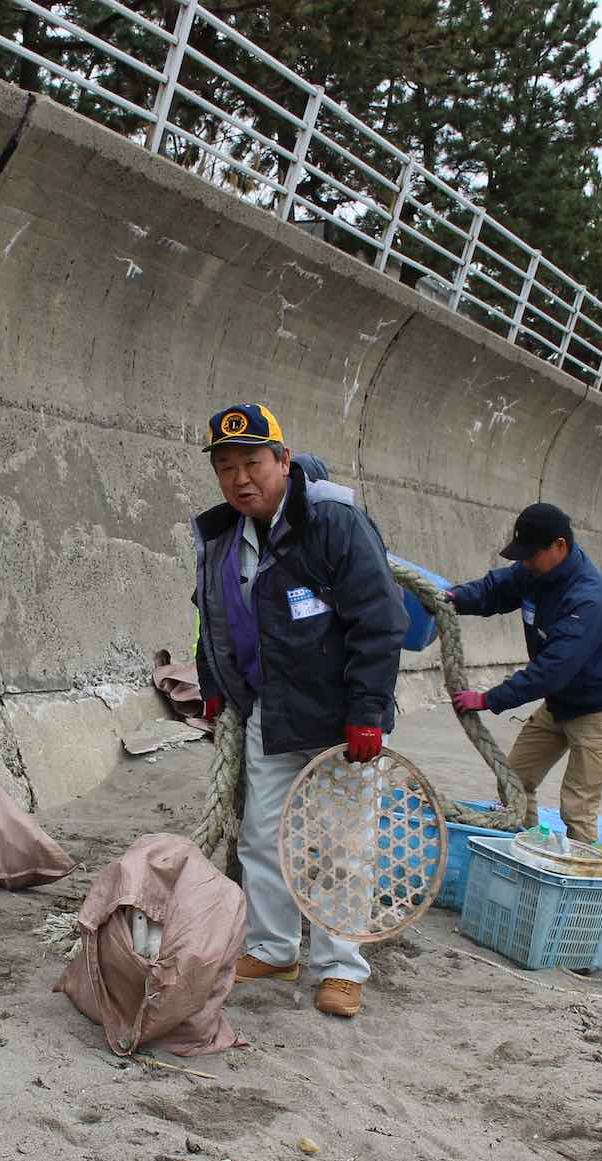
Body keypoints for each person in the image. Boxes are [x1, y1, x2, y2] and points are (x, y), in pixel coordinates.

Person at [191, 403, 406, 1021]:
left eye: (253, 462)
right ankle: (273, 947)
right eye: (226, 467)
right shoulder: (222, 535)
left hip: (342, 721)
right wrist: (214, 683)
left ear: (283, 461)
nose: (240, 479)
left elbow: (380, 620)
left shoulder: (335, 523)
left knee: (343, 845)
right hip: (269, 711)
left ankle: (340, 969)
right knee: (263, 837)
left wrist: (367, 713)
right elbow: (214, 617)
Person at [444, 503, 602, 844]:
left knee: (577, 808)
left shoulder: (589, 600)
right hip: (558, 703)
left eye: (532, 554)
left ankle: (581, 884)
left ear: (559, 546)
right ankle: (530, 849)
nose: (525, 562)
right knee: (514, 781)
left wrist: (489, 699)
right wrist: (452, 598)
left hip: (598, 710)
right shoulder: (533, 573)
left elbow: (551, 671)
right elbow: (494, 590)